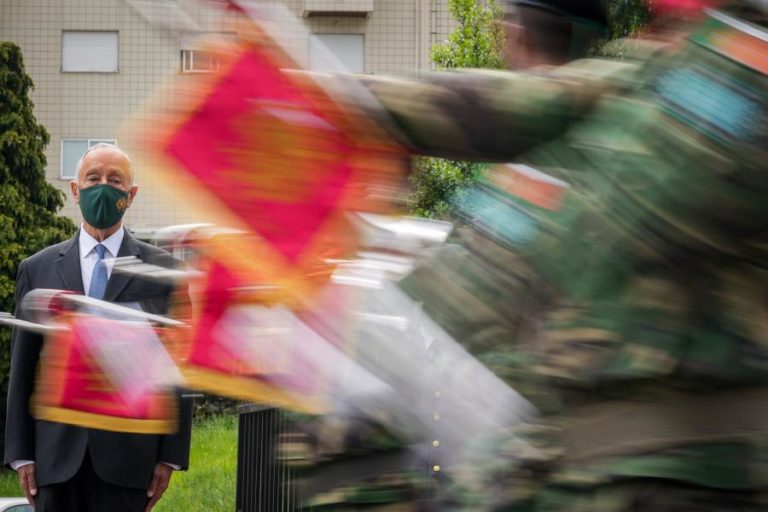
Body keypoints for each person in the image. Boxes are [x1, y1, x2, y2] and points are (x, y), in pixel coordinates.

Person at [311, 0, 768, 509]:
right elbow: (528, 101)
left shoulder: (740, 65)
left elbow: (646, 189)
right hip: (592, 472)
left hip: (698, 474)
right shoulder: (659, 73)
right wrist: (326, 98)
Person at [3, 143, 193, 512]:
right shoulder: (37, 269)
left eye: (115, 180)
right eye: (93, 178)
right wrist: (20, 454)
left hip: (130, 462)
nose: (103, 186)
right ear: (75, 191)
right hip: (55, 461)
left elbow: (178, 368)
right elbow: (23, 366)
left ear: (130, 195)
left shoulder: (163, 271)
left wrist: (170, 456)